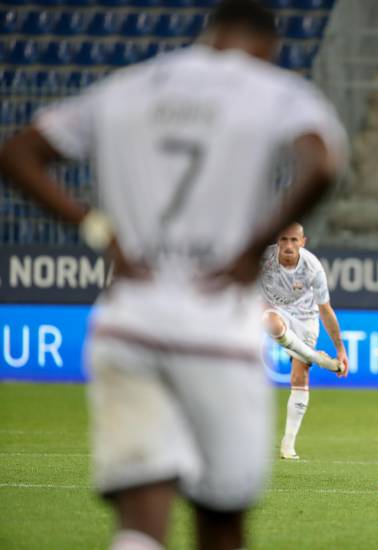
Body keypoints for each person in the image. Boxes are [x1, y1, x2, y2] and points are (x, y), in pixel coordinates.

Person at [0, 2, 348, 548]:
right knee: (221, 521)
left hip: (129, 319)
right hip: (215, 329)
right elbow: (324, 162)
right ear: (268, 46)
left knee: (140, 520)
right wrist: (253, 245)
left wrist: (102, 232)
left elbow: (18, 153)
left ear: (207, 35)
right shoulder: (274, 92)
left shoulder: (126, 87)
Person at [261, 223, 349, 460]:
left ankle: (288, 445)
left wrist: (340, 349)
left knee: (300, 376)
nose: (288, 246)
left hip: (305, 318)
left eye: (293, 240)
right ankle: (314, 357)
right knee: (272, 322)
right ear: (277, 241)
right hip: (274, 310)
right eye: (283, 240)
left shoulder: (313, 268)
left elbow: (325, 310)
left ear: (303, 242)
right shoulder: (264, 260)